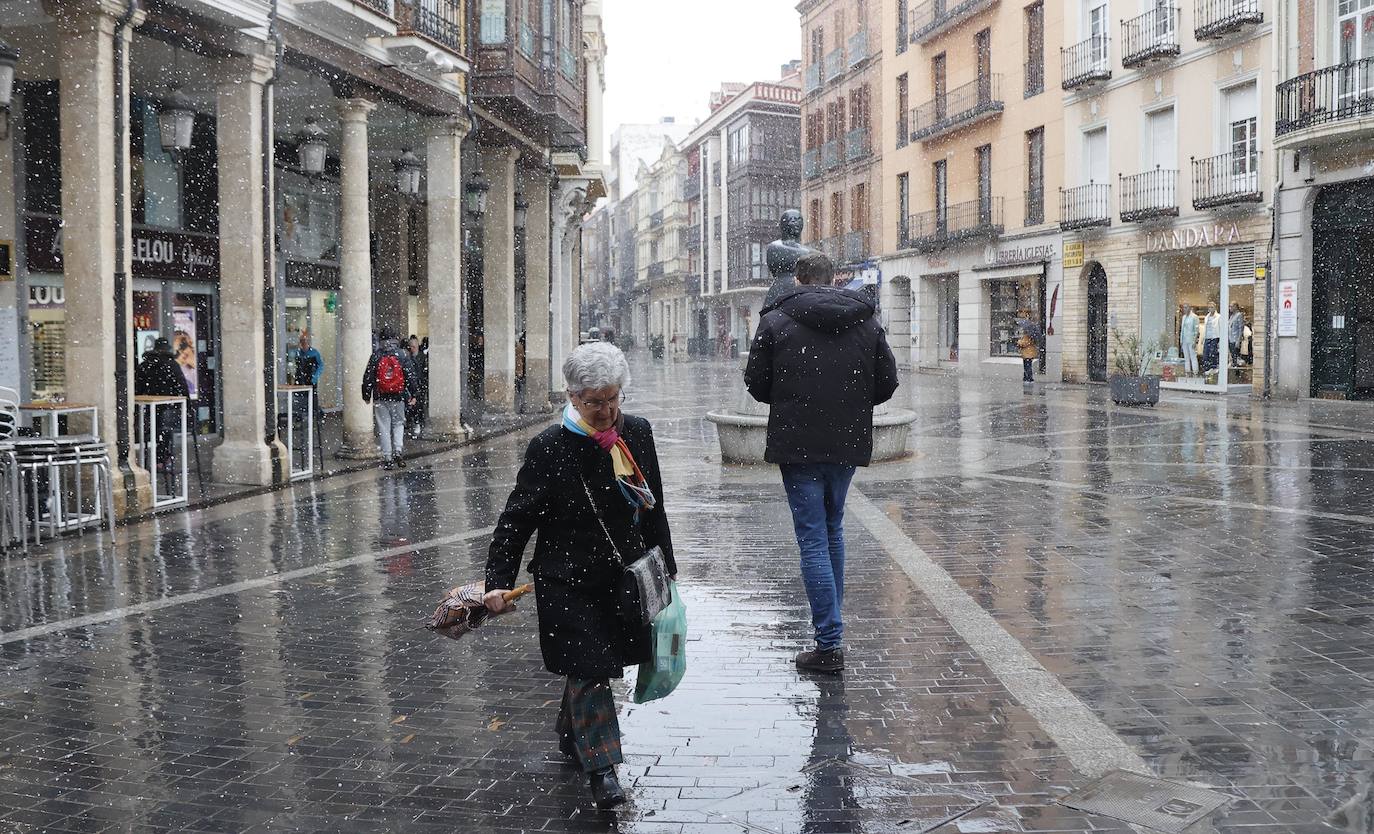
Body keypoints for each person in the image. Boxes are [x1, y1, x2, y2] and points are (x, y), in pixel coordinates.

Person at [483, 342, 676, 810]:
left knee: (594, 663)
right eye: (594, 402)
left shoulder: (637, 432)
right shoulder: (549, 447)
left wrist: (665, 570)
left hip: (622, 578)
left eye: (612, 399)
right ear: (572, 397)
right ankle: (603, 771)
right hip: (566, 578)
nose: (606, 411)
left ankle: (573, 732)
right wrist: (497, 581)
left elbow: (653, 506)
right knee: (591, 666)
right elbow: (517, 519)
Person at [744, 251, 899, 674]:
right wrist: (848, 404)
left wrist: (792, 399)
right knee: (832, 530)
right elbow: (887, 383)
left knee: (813, 538)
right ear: (833, 279)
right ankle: (832, 627)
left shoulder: (776, 319)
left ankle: (829, 644)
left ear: (798, 279)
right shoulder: (865, 320)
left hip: (797, 443)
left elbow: (756, 383)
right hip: (845, 442)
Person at [361, 327, 419, 470]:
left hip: (381, 396)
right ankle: (398, 451)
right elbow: (410, 376)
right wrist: (414, 394)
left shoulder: (376, 355)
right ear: (395, 339)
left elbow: (368, 376)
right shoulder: (402, 354)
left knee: (383, 427)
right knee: (398, 423)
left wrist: (366, 394)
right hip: (398, 396)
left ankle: (387, 458)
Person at [135, 337, 190, 484]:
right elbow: (182, 387)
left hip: (148, 411)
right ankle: (162, 459)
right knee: (164, 431)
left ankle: (151, 460)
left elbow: (137, 388)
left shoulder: (145, 366)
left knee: (156, 430)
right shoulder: (172, 365)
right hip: (166, 411)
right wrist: (188, 409)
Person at [294, 332, 324, 426]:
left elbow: (321, 365)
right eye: (302, 342)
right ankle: (300, 419)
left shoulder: (314, 353)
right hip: (300, 379)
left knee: (313, 399)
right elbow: (297, 366)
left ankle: (318, 415)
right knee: (300, 400)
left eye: (305, 342)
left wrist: (315, 377)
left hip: (311, 379)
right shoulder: (298, 353)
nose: (304, 345)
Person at [406, 335, 428, 439]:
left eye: (414, 346)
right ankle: (414, 421)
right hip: (412, 384)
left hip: (420, 384)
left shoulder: (422, 357)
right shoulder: (408, 357)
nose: (412, 349)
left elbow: (424, 371)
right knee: (413, 405)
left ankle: (418, 421)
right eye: (410, 346)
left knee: (419, 404)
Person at [1015, 309, 1041, 384]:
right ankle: (1027, 378)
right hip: (1029, 353)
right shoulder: (1032, 335)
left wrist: (1018, 342)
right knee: (1028, 365)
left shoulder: (1027, 336)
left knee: (1027, 366)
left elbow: (1024, 343)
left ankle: (1028, 378)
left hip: (1027, 353)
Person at [1180, 305, 1200, 376]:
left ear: (1190, 308)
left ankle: (1195, 372)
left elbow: (1196, 330)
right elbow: (1182, 329)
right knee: (1186, 357)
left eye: (1186, 307)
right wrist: (1181, 340)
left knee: (1193, 356)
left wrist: (1195, 340)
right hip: (1184, 339)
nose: (1184, 309)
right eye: (1184, 307)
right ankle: (1187, 372)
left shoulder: (1194, 317)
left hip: (1191, 339)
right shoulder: (1184, 317)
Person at [1202, 303, 1222, 374]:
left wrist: (1220, 340)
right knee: (1206, 354)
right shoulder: (1206, 317)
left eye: (1212, 307)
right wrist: (1203, 338)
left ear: (1215, 308)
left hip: (1215, 337)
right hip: (1207, 337)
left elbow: (1221, 328)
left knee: (1213, 353)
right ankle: (1207, 368)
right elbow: (1205, 328)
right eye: (1209, 307)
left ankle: (1214, 367)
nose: (1210, 309)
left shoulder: (1219, 317)